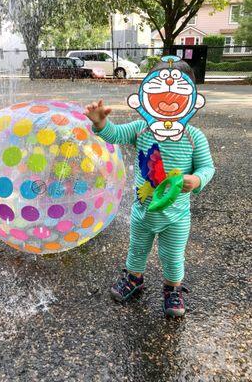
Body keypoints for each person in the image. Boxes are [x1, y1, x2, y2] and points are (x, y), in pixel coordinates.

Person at [84, 58, 215, 317]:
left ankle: (172, 289)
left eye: (177, 92)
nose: (167, 98)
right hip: (143, 211)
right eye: (158, 90)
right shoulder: (142, 128)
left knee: (173, 255)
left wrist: (198, 180)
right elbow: (116, 135)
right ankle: (134, 278)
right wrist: (101, 125)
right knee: (137, 249)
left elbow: (207, 167)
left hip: (176, 216)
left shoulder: (194, 137)